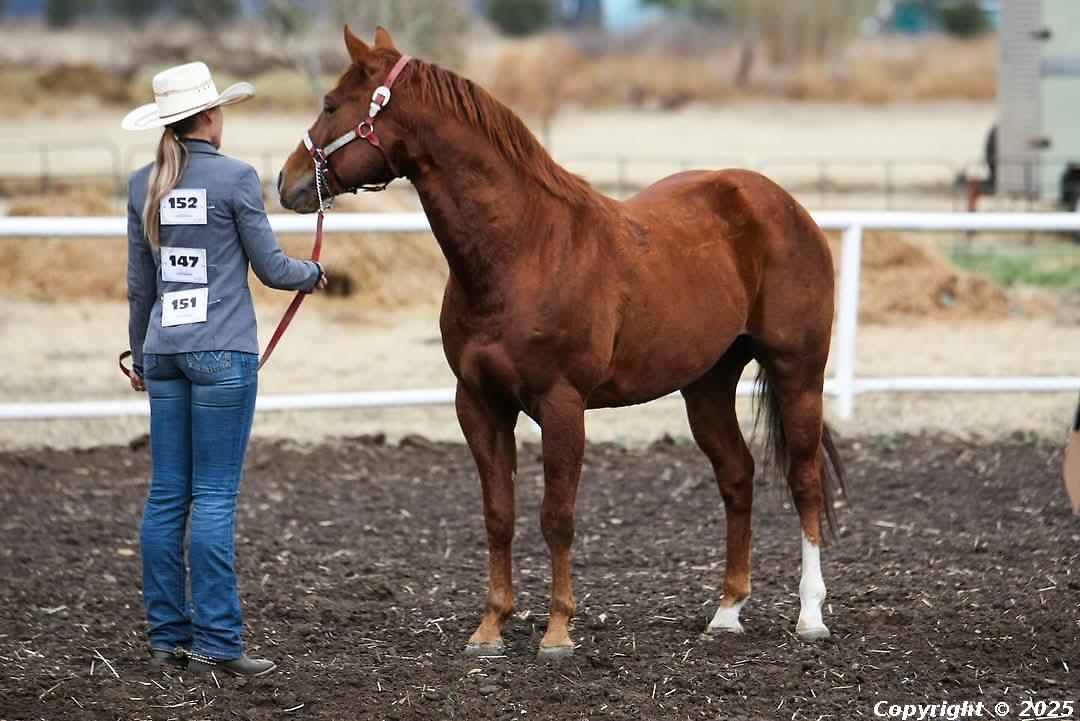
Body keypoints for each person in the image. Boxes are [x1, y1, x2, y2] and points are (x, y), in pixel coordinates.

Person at [122, 62, 326, 677]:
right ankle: (217, 640)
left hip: (164, 353)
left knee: (166, 498)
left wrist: (141, 354)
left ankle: (167, 637)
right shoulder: (236, 177)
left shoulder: (142, 183)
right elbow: (272, 269)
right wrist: (313, 273)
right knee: (212, 499)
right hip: (221, 355)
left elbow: (140, 286)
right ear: (210, 117)